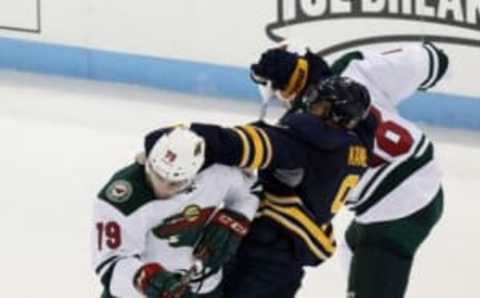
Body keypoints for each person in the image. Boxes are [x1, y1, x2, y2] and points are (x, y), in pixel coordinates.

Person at [145, 75, 377, 296]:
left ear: (334, 115)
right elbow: (367, 121)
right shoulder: (359, 149)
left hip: (260, 254)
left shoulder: (298, 144)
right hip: (294, 261)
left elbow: (230, 145)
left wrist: (175, 139)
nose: (309, 105)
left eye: (318, 104)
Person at [251, 41, 447, 297]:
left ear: (283, 91)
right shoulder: (352, 68)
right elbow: (436, 61)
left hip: (395, 213)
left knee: (370, 258)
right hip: (421, 178)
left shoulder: (295, 133)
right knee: (352, 247)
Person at [91, 127, 259, 298]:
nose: (162, 188)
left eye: (175, 183)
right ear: (148, 160)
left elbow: (251, 190)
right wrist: (146, 280)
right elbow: (109, 264)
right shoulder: (122, 197)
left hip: (204, 287)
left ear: (195, 172)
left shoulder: (216, 174)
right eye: (157, 176)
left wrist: (234, 220)